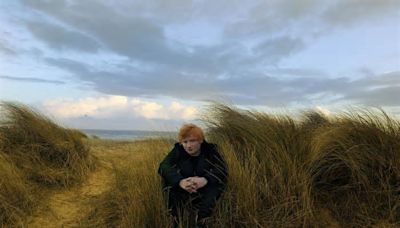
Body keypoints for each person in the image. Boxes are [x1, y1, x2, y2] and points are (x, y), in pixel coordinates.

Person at [158, 123, 228, 228]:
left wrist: (205, 179)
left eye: (192, 141)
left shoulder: (211, 150)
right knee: (168, 184)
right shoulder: (178, 150)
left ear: (200, 140)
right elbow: (163, 166)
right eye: (185, 142)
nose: (188, 146)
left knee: (216, 184)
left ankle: (202, 220)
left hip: (205, 187)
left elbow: (222, 169)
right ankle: (177, 220)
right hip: (185, 186)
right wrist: (180, 182)